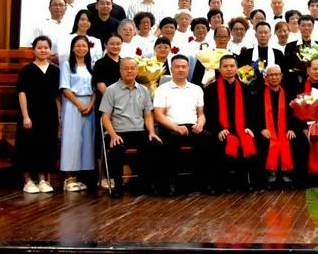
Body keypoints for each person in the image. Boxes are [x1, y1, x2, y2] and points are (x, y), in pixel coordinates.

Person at [152, 54, 217, 195]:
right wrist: (175, 127)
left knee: (208, 138)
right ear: (171, 68)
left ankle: (204, 183)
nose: (180, 70)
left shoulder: (196, 89)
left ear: (188, 69)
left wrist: (200, 124)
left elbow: (201, 114)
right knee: (172, 140)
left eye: (183, 67)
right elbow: (158, 115)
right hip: (171, 127)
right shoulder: (162, 89)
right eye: (177, 67)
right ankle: (171, 184)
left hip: (193, 127)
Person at [100, 57, 159, 198]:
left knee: (155, 145)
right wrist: (113, 135)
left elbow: (148, 115)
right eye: (125, 68)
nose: (129, 71)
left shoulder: (143, 90)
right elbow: (105, 117)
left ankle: (145, 184)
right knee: (117, 148)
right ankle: (118, 187)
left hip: (139, 132)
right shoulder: (111, 90)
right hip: (119, 132)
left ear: (137, 71)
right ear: (120, 71)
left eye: (132, 68)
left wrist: (151, 131)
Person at [203, 54, 258, 192]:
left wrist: (249, 127)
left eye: (232, 66)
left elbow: (251, 111)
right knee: (221, 141)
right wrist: (218, 129)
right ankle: (221, 183)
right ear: (220, 69)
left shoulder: (245, 88)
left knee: (248, 139)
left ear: (237, 68)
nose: (229, 69)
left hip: (241, 128)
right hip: (220, 128)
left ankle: (245, 182)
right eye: (225, 66)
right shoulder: (211, 89)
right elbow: (208, 113)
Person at [16, 36, 61, 194]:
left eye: (46, 47)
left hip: (49, 113)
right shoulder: (26, 70)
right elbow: (22, 93)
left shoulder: (56, 71)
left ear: (50, 50)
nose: (43, 50)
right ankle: (28, 180)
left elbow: (57, 96)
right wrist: (25, 116)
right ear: (33, 50)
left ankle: (42, 179)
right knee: (28, 145)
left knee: (47, 145)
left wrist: (59, 115)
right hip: (31, 112)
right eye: (39, 47)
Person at [59, 35, 97, 192]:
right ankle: (69, 178)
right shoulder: (67, 65)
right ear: (73, 48)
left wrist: (91, 104)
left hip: (90, 105)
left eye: (84, 46)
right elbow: (65, 88)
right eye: (78, 45)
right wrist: (80, 104)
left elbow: (95, 88)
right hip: (73, 104)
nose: (81, 48)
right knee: (71, 139)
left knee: (87, 140)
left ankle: (82, 177)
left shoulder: (91, 66)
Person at [254, 65, 297, 188]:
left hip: (285, 130)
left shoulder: (290, 93)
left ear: (281, 76)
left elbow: (295, 114)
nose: (274, 77)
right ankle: (270, 172)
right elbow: (254, 115)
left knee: (292, 138)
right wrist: (261, 129)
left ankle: (286, 172)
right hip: (266, 129)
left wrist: (292, 129)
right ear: (265, 77)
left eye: (276, 74)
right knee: (263, 140)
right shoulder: (258, 94)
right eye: (270, 75)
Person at [91, 33, 123, 189]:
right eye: (112, 44)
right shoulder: (100, 63)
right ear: (105, 45)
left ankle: (119, 176)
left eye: (118, 44)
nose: (115, 47)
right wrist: (115, 101)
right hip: (106, 107)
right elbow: (100, 86)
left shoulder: (125, 63)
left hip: (125, 109)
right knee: (103, 142)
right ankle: (103, 176)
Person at [284, 15, 318, 86]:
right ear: (299, 27)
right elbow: (287, 67)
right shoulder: (290, 46)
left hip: (316, 83)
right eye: (303, 25)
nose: (306, 28)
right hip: (295, 83)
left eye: (309, 25)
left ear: (313, 27)